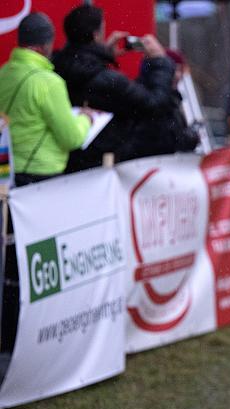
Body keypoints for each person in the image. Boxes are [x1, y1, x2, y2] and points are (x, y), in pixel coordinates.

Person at [0, 12, 92, 357]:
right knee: (42, 267)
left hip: (8, 181)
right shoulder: (48, 82)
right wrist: (84, 120)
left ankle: (7, 336)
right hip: (43, 181)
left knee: (10, 265)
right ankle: (36, 341)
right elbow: (70, 137)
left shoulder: (4, 74)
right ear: (46, 43)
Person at [52, 4, 175, 172]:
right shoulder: (105, 80)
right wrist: (160, 61)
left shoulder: (56, 68)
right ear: (96, 35)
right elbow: (154, 103)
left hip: (64, 161)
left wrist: (102, 54)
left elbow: (80, 63)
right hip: (102, 165)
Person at [129, 48, 200, 158]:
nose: (178, 75)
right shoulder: (155, 100)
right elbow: (166, 137)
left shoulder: (173, 101)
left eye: (180, 70)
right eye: (174, 69)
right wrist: (189, 137)